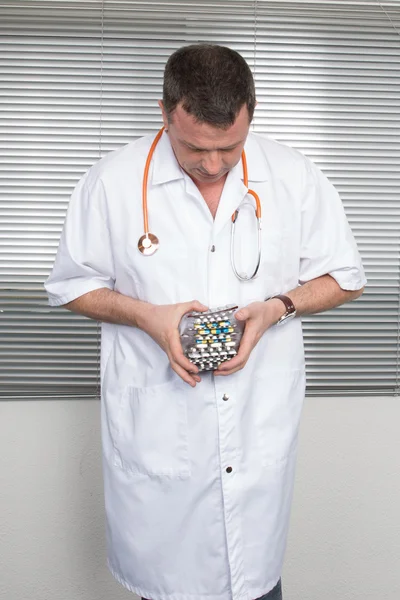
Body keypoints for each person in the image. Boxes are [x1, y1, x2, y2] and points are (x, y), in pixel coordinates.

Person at [45, 44, 366, 600]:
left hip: (255, 431)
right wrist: (148, 316)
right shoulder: (113, 182)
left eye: (231, 147)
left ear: (251, 114)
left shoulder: (294, 178)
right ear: (166, 112)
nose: (213, 164)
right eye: (195, 147)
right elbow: (71, 286)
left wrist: (277, 308)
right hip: (160, 439)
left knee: (257, 584)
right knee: (166, 588)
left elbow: (346, 276)